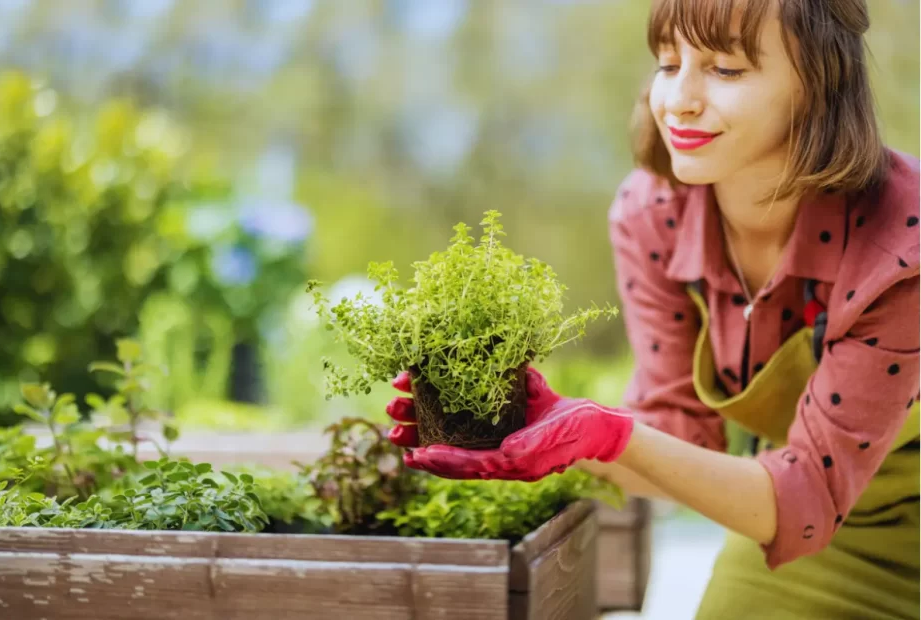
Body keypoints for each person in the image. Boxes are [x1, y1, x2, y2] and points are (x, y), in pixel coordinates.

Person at [384, 1, 920, 618]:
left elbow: (807, 496)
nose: (680, 101)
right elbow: (682, 436)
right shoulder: (655, 215)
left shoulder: (901, 243)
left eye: (725, 70)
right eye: (669, 64)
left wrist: (605, 434)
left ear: (818, 85)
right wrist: (550, 431)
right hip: (801, 526)